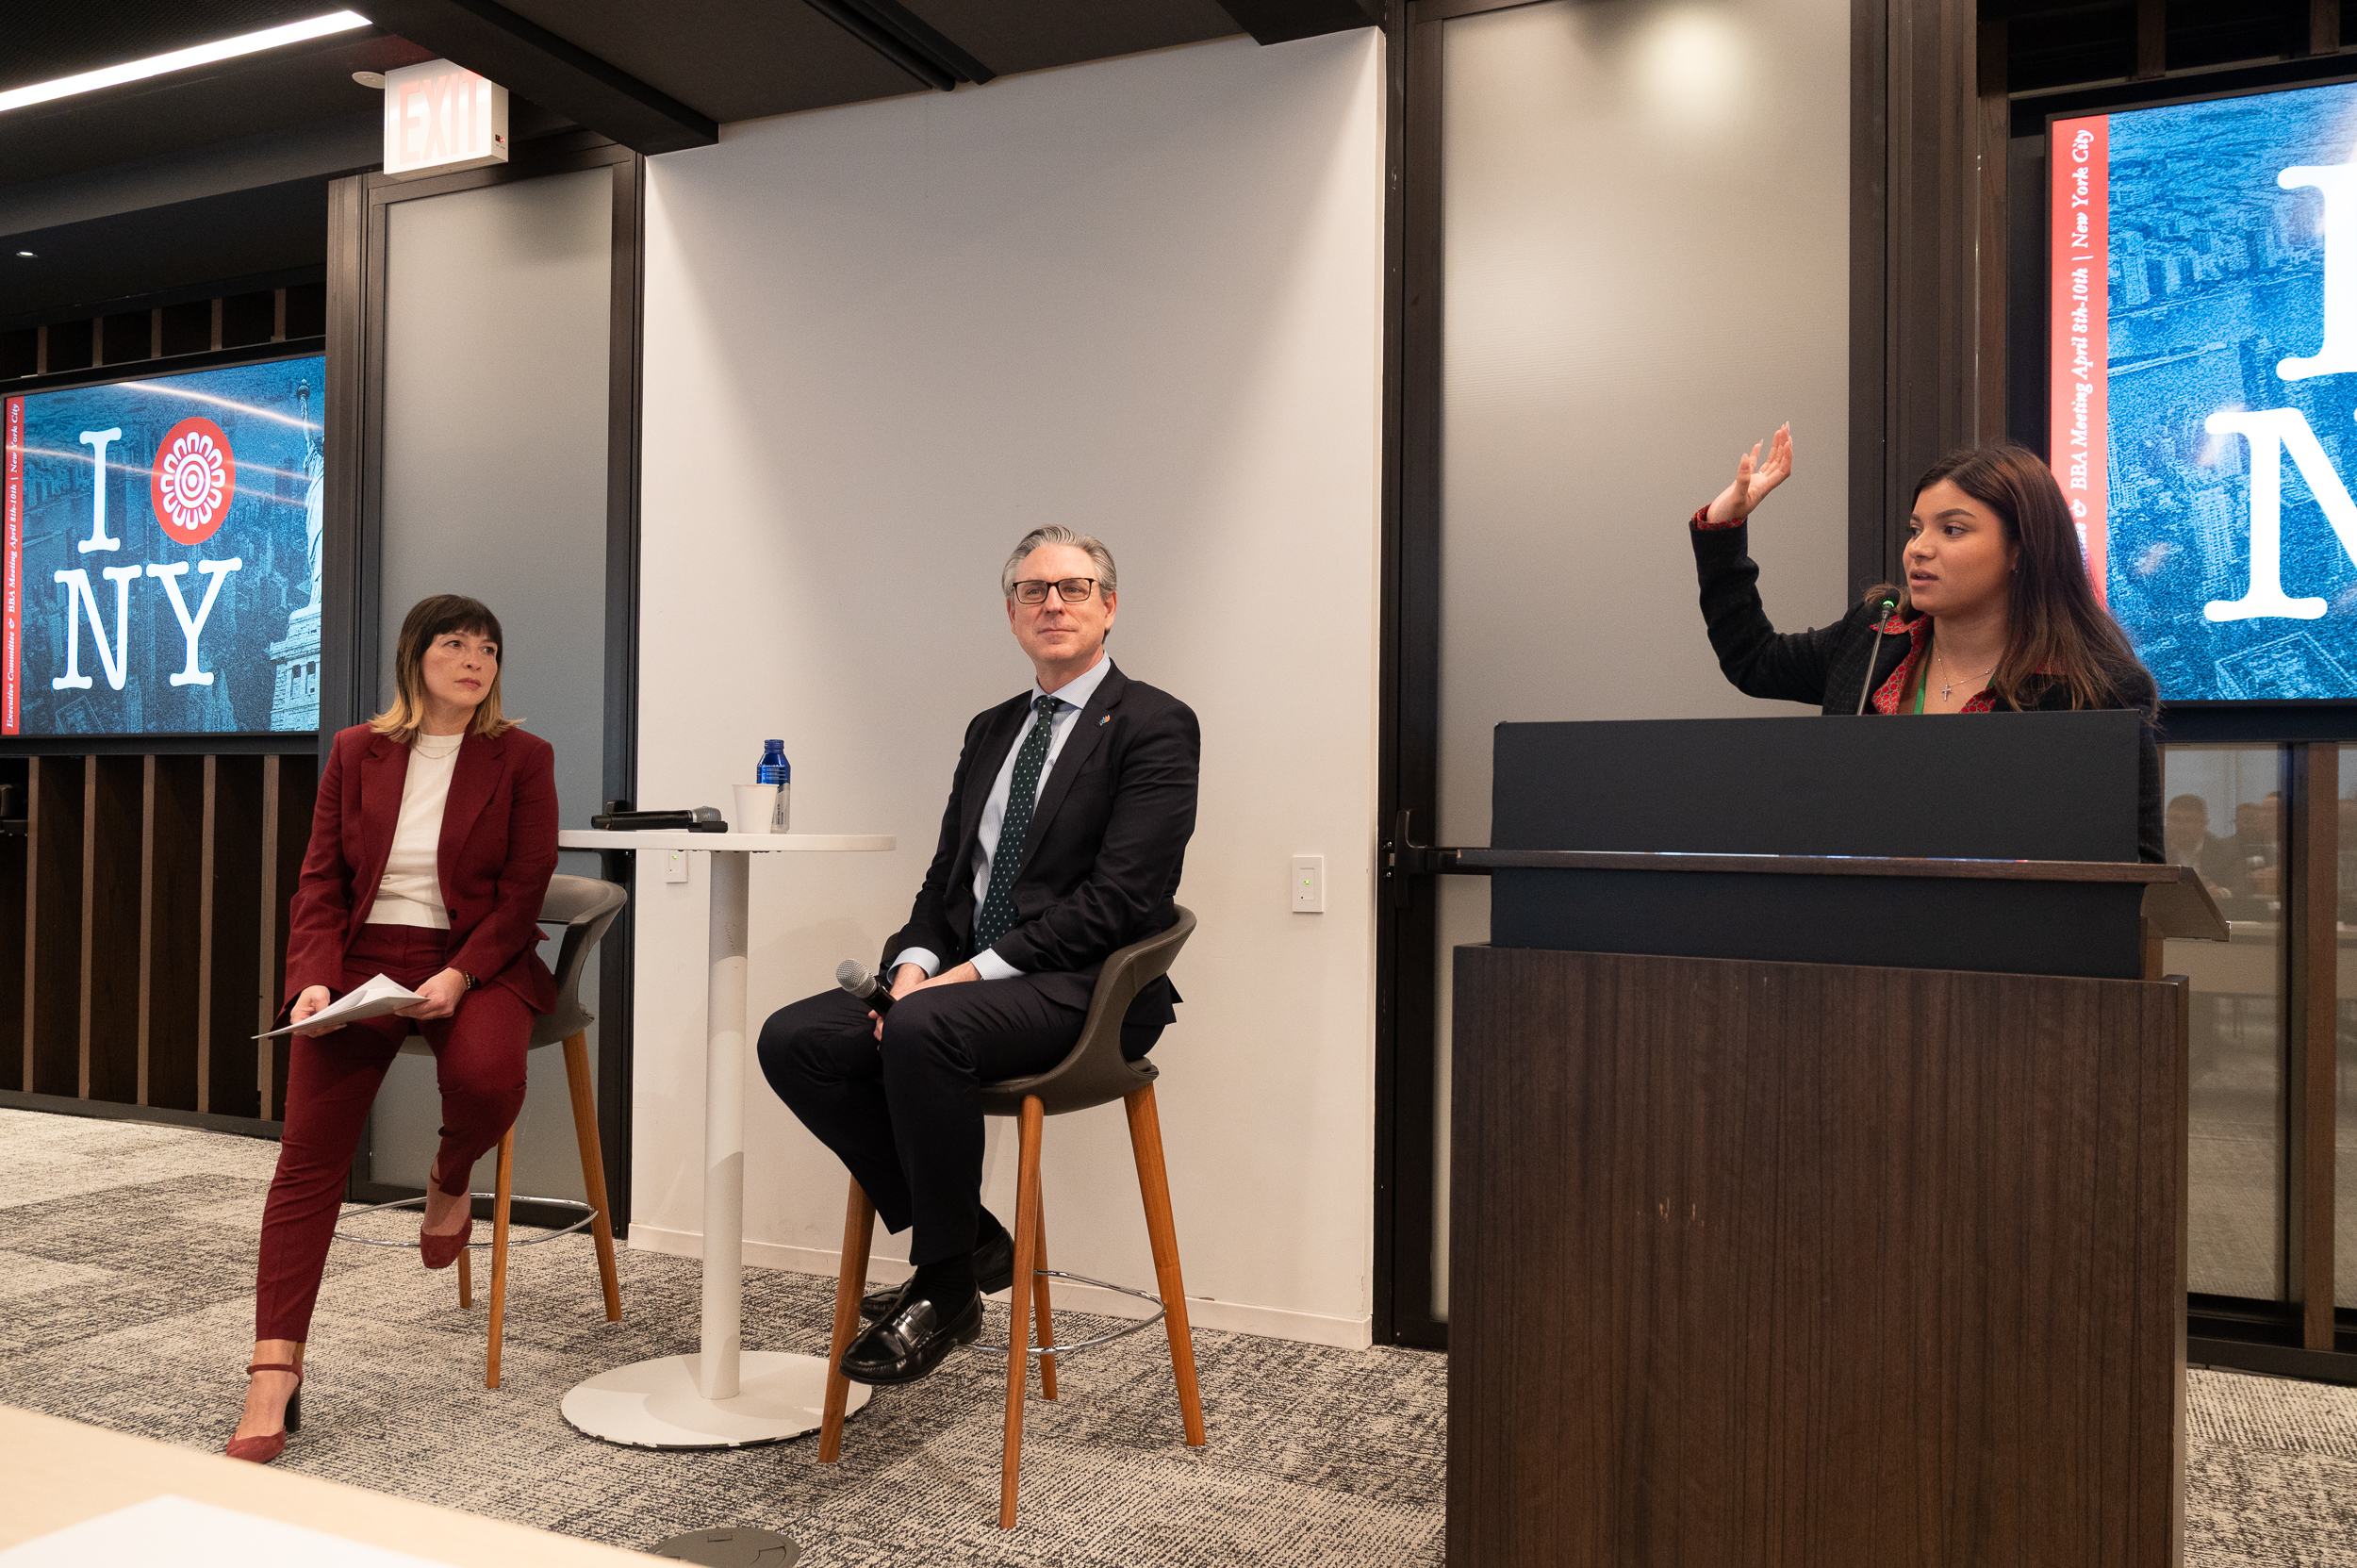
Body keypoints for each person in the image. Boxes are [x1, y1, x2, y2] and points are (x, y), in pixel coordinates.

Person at [757, 526, 1199, 1387]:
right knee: (795, 1038)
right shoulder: (992, 729)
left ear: (1110, 607)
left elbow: (1120, 900)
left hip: (1085, 991)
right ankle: (972, 1238)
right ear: (1011, 614)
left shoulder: (1154, 724)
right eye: (1033, 590)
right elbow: (947, 881)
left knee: (921, 1029)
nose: (1053, 603)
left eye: (1074, 587)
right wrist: (915, 967)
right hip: (964, 991)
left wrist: (960, 979)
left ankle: (946, 1284)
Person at [225, 595, 559, 1463]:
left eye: (488, 647)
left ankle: (449, 1175)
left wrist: (460, 973)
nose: (475, 659)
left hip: (473, 955)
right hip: (361, 956)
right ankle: (273, 1369)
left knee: (488, 1080)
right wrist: (311, 980)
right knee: (308, 1157)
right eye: (455, 643)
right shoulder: (355, 750)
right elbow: (320, 880)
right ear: (416, 656)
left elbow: (524, 890)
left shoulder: (523, 757)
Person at [1690, 427, 2162, 860]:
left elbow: (2137, 865)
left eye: (1952, 530)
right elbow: (1754, 659)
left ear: (2021, 549)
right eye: (1915, 530)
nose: (1918, 548)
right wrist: (1722, 527)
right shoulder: (1874, 635)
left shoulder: (2099, 691)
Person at [2163, 793, 2238, 901]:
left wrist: (2220, 892)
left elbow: (2241, 889)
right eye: (2174, 819)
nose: (2180, 826)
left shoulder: (2223, 851)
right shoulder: (2156, 849)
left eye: (2188, 820)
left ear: (2204, 824)